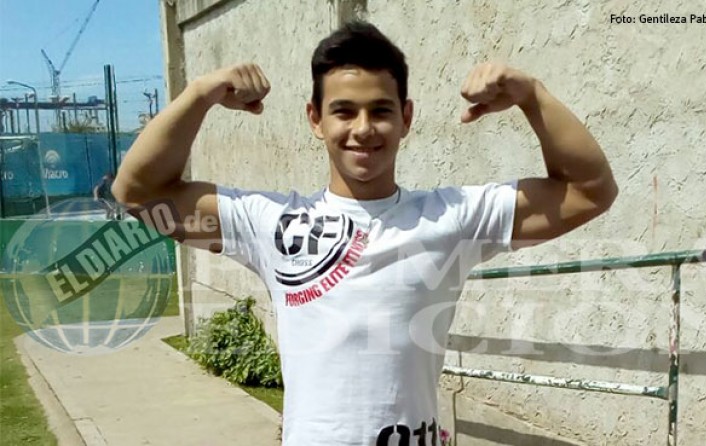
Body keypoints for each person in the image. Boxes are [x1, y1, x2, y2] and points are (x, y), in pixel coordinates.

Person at [113, 21, 617, 446]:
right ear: (315, 119)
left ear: (406, 118)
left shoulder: (453, 218)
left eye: (380, 110)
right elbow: (138, 192)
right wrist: (200, 95)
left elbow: (589, 190)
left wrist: (532, 95)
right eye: (343, 111)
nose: (363, 128)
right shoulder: (271, 222)